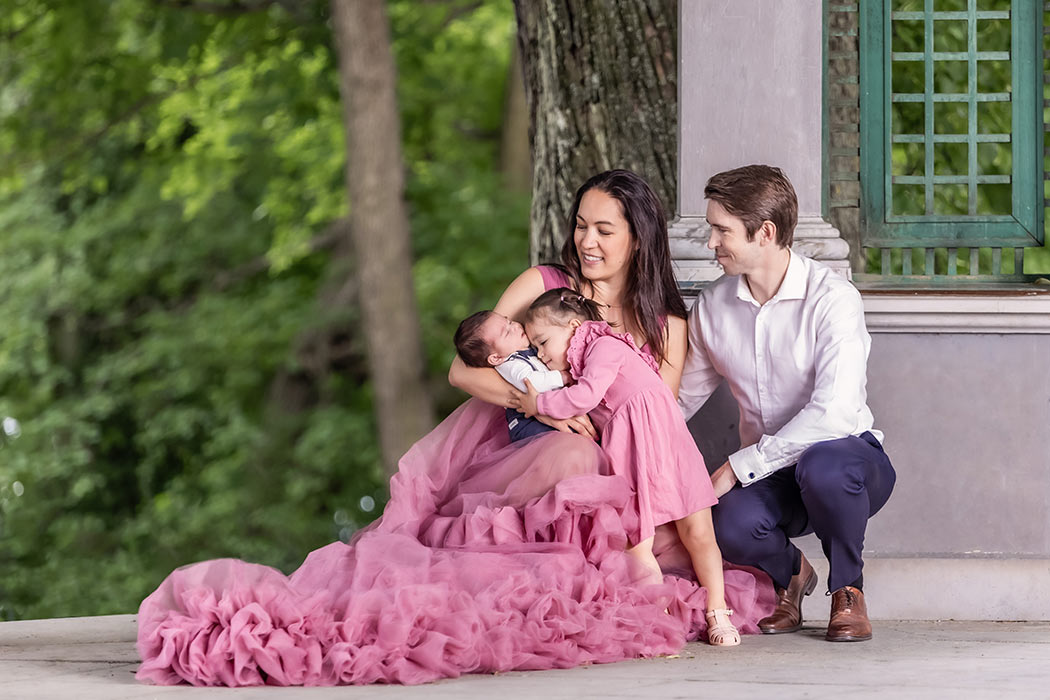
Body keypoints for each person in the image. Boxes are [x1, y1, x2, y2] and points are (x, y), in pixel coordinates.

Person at [135, 170, 774, 687]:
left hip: (622, 465)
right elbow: (465, 371)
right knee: (571, 467)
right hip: (527, 447)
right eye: (580, 225)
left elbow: (656, 422)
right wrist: (541, 403)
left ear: (638, 237)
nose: (588, 241)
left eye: (604, 230)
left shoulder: (665, 322)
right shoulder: (543, 285)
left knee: (665, 536)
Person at [677, 164, 896, 642]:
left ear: (766, 233)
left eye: (721, 230)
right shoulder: (713, 306)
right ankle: (793, 576)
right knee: (723, 518)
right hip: (772, 477)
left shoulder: (833, 299)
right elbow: (681, 400)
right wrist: (624, 438)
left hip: (848, 464)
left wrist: (738, 466)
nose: (711, 243)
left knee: (824, 465)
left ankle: (848, 591)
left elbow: (834, 413)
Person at [520, 288, 739, 646]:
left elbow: (587, 397)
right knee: (637, 542)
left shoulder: (605, 347)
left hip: (666, 444)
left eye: (543, 342)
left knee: (698, 531)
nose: (541, 355)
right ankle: (664, 617)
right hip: (631, 450)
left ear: (575, 325)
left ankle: (718, 608)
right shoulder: (576, 365)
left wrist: (538, 403)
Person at [452, 310, 567, 442]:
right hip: (530, 425)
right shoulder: (510, 365)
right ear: (496, 358)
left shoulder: (526, 350)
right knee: (561, 441)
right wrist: (561, 377)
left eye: (510, 321)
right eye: (507, 332)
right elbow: (531, 383)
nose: (515, 326)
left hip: (544, 412)